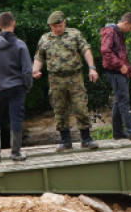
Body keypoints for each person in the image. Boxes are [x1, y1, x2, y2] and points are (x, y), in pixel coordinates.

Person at [33, 10, 100, 152]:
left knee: (81, 107)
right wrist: (36, 70)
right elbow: (39, 57)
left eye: (60, 26)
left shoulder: (74, 34)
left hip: (74, 77)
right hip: (55, 78)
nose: (57, 29)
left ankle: (86, 138)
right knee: (59, 109)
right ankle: (65, 140)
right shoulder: (45, 39)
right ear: (50, 26)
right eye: (54, 26)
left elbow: (86, 49)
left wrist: (92, 68)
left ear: (64, 23)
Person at [0, 11, 34, 163]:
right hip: (17, 86)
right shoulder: (20, 44)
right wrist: (26, 87)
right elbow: (27, 70)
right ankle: (16, 153)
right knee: (16, 118)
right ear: (14, 23)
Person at [100, 11, 131, 140]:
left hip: (120, 71)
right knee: (123, 100)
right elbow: (105, 51)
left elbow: (122, 55)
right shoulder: (110, 31)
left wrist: (130, 71)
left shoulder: (119, 34)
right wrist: (119, 66)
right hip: (114, 71)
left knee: (118, 100)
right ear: (125, 23)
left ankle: (118, 133)